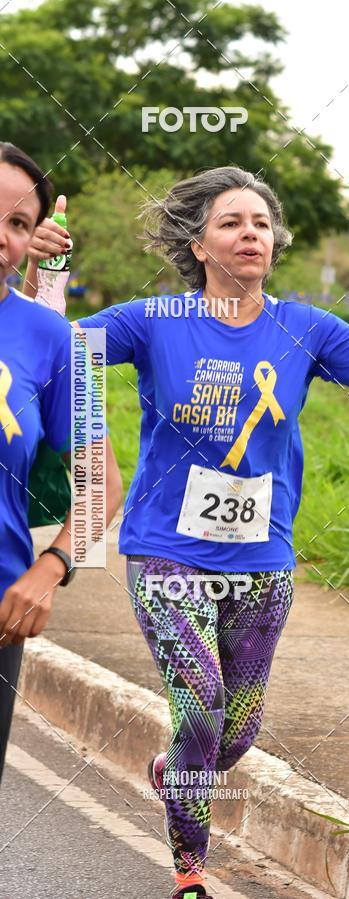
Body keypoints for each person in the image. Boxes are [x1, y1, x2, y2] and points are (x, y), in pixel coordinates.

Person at [65, 165, 349, 899]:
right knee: (198, 708)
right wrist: (49, 270)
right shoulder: (153, 320)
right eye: (231, 223)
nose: (250, 234)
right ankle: (191, 871)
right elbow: (58, 350)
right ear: (199, 244)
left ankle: (176, 774)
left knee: (234, 736)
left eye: (260, 223)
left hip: (263, 556)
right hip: (167, 548)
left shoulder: (304, 328)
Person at [0, 142, 123, 783]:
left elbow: (101, 480)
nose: (2, 236)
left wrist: (52, 568)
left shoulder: (52, 341)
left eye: (18, 223)